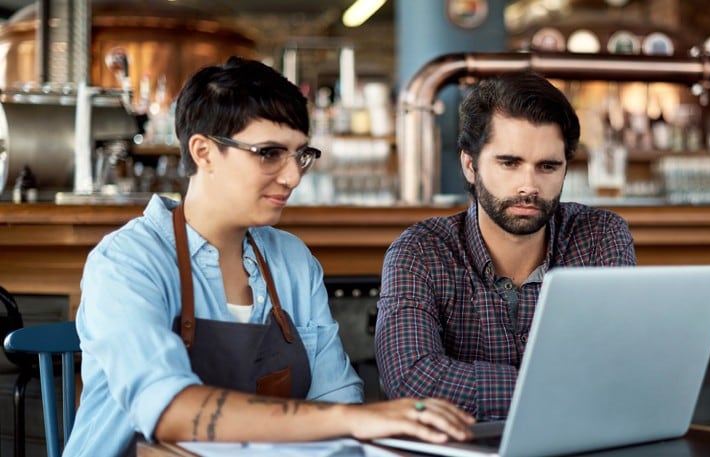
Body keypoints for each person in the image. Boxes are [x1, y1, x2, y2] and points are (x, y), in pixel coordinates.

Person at [64, 57, 473, 456]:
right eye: (268, 153)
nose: (293, 175)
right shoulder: (126, 262)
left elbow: (336, 394)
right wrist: (352, 422)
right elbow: (169, 409)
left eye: (301, 155)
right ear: (204, 152)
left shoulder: (291, 260)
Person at [374, 72, 638, 421]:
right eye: (509, 163)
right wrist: (563, 389)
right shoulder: (420, 252)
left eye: (547, 166)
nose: (529, 186)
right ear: (470, 165)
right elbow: (413, 379)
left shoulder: (600, 236)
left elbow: (625, 371)